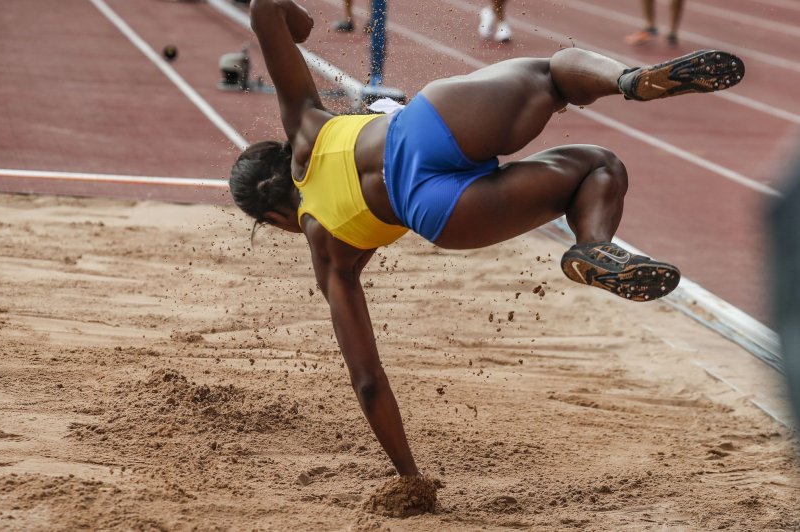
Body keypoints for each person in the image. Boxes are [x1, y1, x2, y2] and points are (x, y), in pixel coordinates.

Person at [232, 0, 744, 478]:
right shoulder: (306, 127)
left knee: (596, 166)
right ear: (279, 152)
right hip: (427, 126)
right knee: (554, 72)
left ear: (275, 220)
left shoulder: (332, 256)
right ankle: (629, 83)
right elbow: (263, 9)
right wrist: (300, 25)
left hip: (438, 212)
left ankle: (589, 248)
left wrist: (411, 478)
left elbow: (368, 382)